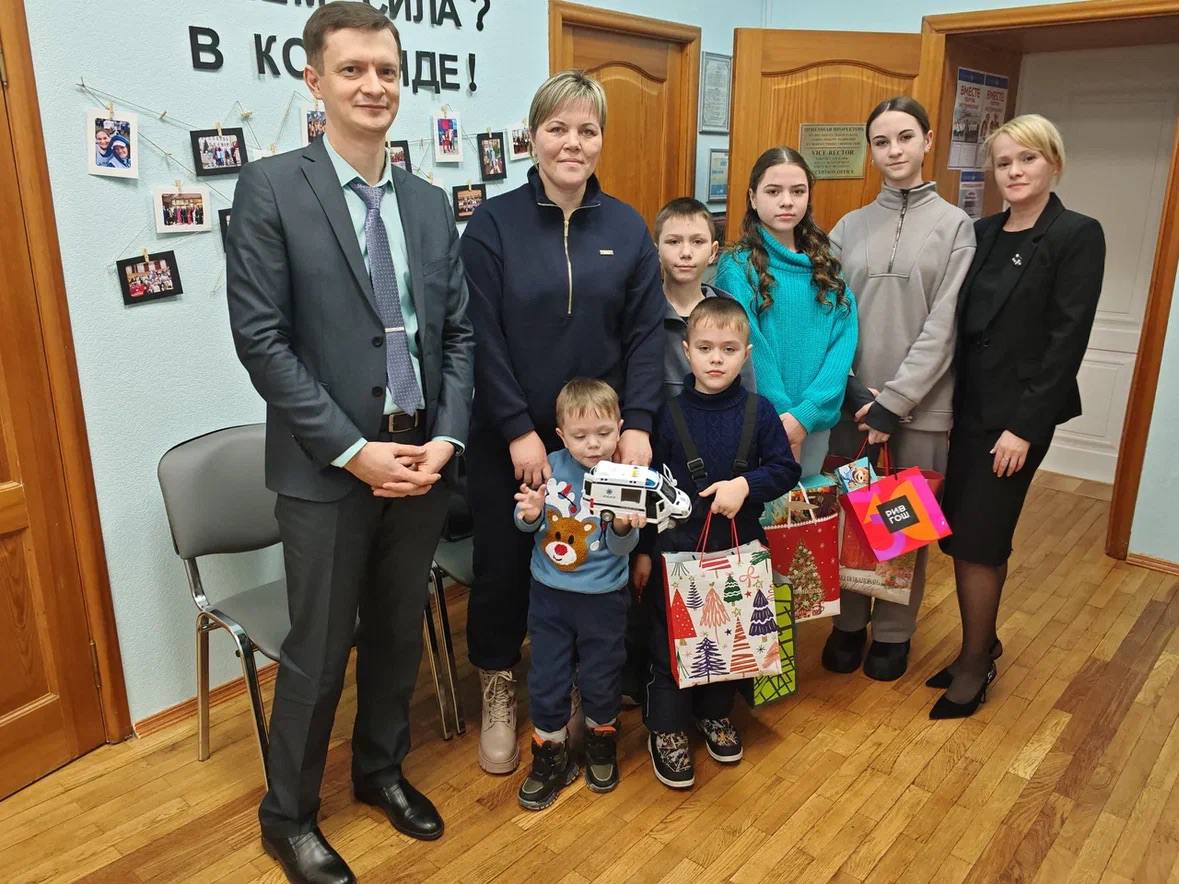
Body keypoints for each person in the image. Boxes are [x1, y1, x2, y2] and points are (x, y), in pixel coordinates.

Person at [225, 4, 474, 882]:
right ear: (314, 80)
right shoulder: (270, 188)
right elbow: (262, 341)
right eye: (353, 69)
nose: (374, 86)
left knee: (399, 636)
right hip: (327, 471)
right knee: (319, 652)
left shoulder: (429, 203)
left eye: (386, 70)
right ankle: (287, 815)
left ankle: (379, 772)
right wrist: (350, 450)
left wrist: (447, 437)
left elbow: (457, 335)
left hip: (420, 460)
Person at [461, 69, 664, 775]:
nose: (572, 143)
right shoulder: (492, 225)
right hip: (509, 438)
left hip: (601, 441)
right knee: (503, 569)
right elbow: (479, 335)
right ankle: (499, 685)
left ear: (600, 139)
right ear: (532, 136)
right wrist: (518, 428)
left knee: (599, 563)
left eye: (587, 129)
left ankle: (585, 687)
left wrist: (638, 424)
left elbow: (645, 336)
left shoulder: (627, 228)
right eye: (557, 128)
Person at [931, 114, 1104, 719]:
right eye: (1003, 162)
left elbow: (1066, 340)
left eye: (1027, 159)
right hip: (968, 412)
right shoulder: (982, 232)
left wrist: (1025, 428)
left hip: (1017, 421)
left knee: (982, 539)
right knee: (960, 533)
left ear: (1052, 162)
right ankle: (980, 643)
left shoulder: (1076, 235)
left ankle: (976, 662)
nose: (1014, 171)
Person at [821, 96, 976, 682]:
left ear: (928, 141)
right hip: (852, 406)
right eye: (882, 142)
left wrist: (894, 402)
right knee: (851, 517)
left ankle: (892, 632)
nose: (894, 151)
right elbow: (828, 313)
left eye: (905, 137)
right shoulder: (848, 227)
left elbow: (945, 324)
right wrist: (853, 390)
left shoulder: (955, 227)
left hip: (919, 409)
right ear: (871, 151)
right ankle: (848, 622)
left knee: (901, 524)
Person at [632, 297, 798, 788]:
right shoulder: (666, 415)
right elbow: (648, 492)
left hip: (740, 547)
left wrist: (746, 485)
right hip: (676, 550)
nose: (716, 359)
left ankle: (714, 713)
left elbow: (785, 469)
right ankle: (666, 728)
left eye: (728, 349)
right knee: (671, 642)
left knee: (730, 640)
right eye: (705, 348)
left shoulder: (760, 412)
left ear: (746, 354)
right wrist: (642, 551)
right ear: (686, 351)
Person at [618, 197, 758, 707]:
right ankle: (650, 686)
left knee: (711, 587)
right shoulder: (641, 311)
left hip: (717, 471)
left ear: (714, 250)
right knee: (651, 578)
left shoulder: (726, 313)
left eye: (697, 241)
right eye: (673, 241)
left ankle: (714, 692)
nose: (685, 252)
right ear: (656, 248)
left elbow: (749, 394)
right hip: (657, 462)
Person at [511, 378, 645, 809]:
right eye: (581, 436)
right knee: (547, 676)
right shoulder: (549, 468)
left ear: (620, 429)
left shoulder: (625, 476)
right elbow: (525, 524)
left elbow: (623, 547)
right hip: (550, 597)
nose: (593, 445)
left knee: (601, 674)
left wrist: (622, 524)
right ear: (561, 435)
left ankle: (601, 743)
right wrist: (530, 514)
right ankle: (549, 753)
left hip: (604, 598)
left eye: (604, 433)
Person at [714, 147, 858, 478]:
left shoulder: (828, 268)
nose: (787, 201)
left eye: (798, 191)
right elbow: (749, 346)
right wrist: (782, 417)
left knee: (806, 509)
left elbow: (842, 347)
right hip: (760, 425)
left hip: (814, 424)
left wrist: (804, 416)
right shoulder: (737, 266)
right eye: (773, 191)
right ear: (753, 198)